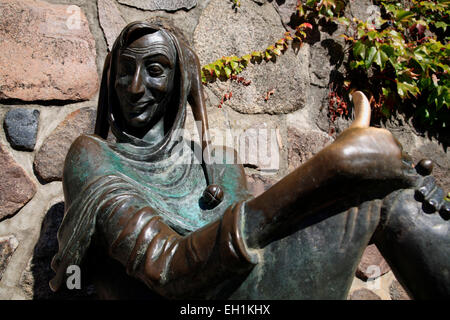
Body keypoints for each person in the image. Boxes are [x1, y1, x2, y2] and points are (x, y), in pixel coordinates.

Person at [50, 21, 449, 299]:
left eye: (155, 70)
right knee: (372, 195)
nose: (135, 86)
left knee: (391, 189)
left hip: (245, 292)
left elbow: (255, 249)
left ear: (180, 83)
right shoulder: (92, 155)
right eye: (124, 69)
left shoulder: (217, 162)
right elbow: (165, 266)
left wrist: (354, 180)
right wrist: (326, 171)